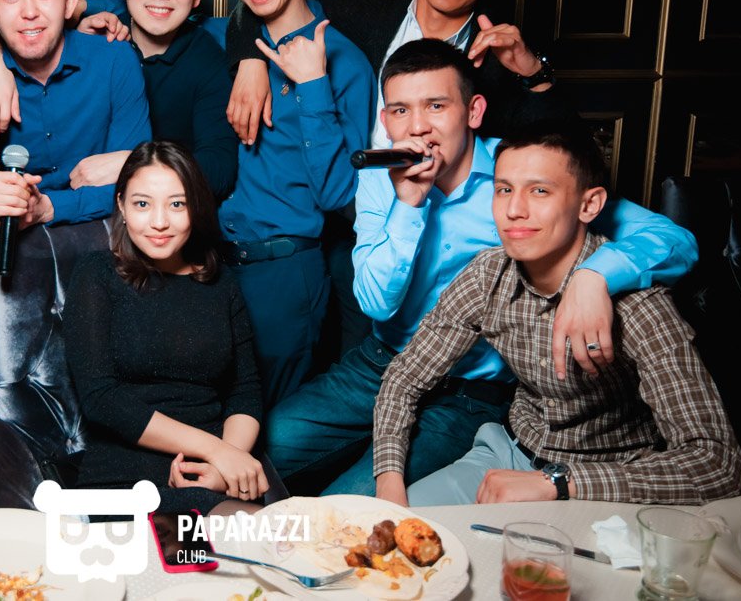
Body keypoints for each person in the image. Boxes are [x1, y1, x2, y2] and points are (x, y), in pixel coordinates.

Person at [264, 39, 699, 495]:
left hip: (471, 393)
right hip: (380, 365)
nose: (418, 127)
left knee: (351, 502)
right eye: (400, 111)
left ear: (473, 112)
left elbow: (676, 241)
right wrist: (409, 204)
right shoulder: (378, 180)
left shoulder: (522, 175)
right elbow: (376, 303)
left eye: (435, 106)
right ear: (385, 120)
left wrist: (595, 276)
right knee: (257, 454)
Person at [223, 0, 574, 359]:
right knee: (347, 357)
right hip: (347, 219)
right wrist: (248, 61)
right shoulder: (368, 13)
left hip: (439, 232)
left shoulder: (495, 60)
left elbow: (568, 154)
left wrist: (532, 74)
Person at [374, 122, 741, 506]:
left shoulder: (639, 304)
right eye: (504, 190)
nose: (514, 211)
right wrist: (389, 486)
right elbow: (404, 378)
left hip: (608, 483)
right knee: (387, 529)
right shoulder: (488, 274)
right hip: (508, 456)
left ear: (589, 205)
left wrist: (558, 483)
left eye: (539, 191)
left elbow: (718, 464)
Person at [0, 0, 151, 469]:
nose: (29, 12)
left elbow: (139, 189)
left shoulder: (115, 62)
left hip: (114, 267)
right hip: (20, 275)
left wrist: (53, 206)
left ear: (69, 0)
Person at [211, 0, 375, 404]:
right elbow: (150, 13)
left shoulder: (345, 62)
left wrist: (312, 86)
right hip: (216, 264)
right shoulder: (235, 40)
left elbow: (340, 195)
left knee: (270, 426)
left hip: (284, 270)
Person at [63, 141, 267, 514]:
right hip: (124, 478)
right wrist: (216, 451)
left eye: (177, 204)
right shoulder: (97, 274)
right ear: (121, 205)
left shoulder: (221, 283)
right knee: (196, 541)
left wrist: (224, 466)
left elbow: (245, 392)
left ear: (196, 207)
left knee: (265, 537)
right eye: (143, 204)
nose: (159, 222)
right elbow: (101, 399)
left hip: (213, 476)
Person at [0, 0, 238, 200]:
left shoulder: (208, 59)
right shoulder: (98, 25)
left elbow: (221, 168)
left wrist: (137, 164)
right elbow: (0, 22)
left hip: (155, 208)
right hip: (70, 198)